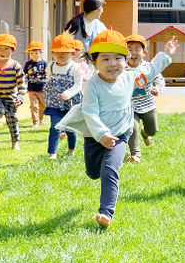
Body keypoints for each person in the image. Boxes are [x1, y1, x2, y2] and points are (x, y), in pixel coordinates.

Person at [56, 30, 178, 228]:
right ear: (94, 63)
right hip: (95, 137)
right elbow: (90, 111)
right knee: (94, 173)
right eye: (105, 59)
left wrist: (167, 54)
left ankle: (106, 213)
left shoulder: (129, 79)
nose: (112, 63)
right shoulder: (93, 85)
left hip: (120, 135)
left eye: (118, 58)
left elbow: (150, 71)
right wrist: (101, 134)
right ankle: (96, 173)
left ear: (126, 59)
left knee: (110, 170)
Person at [125, 34, 165, 163]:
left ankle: (145, 134)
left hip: (148, 105)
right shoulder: (121, 67)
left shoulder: (148, 67)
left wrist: (157, 89)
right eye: (129, 49)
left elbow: (160, 79)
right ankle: (135, 154)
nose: (133, 52)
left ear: (144, 52)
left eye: (137, 49)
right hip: (130, 106)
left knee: (152, 130)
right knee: (132, 128)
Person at [44, 34, 82, 160]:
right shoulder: (50, 66)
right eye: (57, 52)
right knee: (55, 126)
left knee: (70, 129)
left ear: (72, 53)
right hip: (55, 103)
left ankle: (71, 149)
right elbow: (49, 80)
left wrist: (68, 93)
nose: (60, 55)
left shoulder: (75, 68)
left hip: (70, 104)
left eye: (65, 52)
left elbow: (78, 85)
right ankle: (52, 153)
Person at [0, 34, 26, 151]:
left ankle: (15, 143)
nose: (2, 51)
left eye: (6, 48)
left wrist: (20, 97)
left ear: (12, 50)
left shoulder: (16, 66)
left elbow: (22, 84)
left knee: (11, 120)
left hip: (11, 98)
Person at [23, 41, 47, 127]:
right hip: (31, 88)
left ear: (41, 53)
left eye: (36, 52)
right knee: (34, 105)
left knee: (43, 105)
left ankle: (41, 118)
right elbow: (24, 73)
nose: (33, 54)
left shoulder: (44, 63)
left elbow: (48, 74)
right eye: (31, 53)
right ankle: (35, 122)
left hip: (42, 88)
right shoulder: (28, 64)